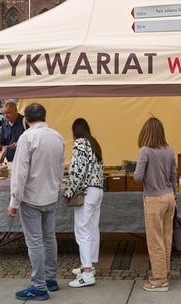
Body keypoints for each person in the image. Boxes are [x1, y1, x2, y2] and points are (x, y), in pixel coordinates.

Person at [7, 102, 64, 301]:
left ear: (26, 119)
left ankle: (39, 286)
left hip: (32, 197)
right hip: (50, 195)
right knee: (49, 238)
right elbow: (60, 166)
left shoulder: (27, 137)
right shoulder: (57, 136)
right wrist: (57, 188)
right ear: (44, 116)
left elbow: (20, 172)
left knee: (35, 242)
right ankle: (50, 279)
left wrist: (14, 200)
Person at [133, 116, 177, 292]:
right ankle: (163, 273)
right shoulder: (169, 150)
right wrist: (174, 194)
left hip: (153, 199)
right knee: (166, 238)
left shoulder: (145, 151)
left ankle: (159, 280)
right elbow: (174, 175)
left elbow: (137, 176)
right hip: (169, 197)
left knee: (155, 241)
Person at [63, 117, 105, 288]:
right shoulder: (94, 143)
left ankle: (87, 272)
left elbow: (76, 170)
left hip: (86, 192)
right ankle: (90, 265)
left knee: (82, 229)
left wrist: (68, 191)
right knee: (92, 228)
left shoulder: (80, 143)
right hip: (98, 190)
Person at [0, 100, 27, 166]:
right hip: (10, 161)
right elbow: (4, 144)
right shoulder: (4, 125)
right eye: (4, 113)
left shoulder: (25, 122)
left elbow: (33, 140)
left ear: (15, 111)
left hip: (24, 161)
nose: (6, 115)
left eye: (8, 113)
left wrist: (20, 144)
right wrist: (2, 156)